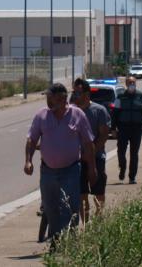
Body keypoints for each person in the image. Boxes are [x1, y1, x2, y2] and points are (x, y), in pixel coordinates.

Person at [24, 83, 95, 243]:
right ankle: (56, 239)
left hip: (71, 170)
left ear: (63, 99)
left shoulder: (77, 115)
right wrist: (28, 161)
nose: (48, 102)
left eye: (52, 98)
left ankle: (67, 240)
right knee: (50, 208)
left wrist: (92, 169)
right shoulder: (42, 115)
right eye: (47, 98)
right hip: (48, 171)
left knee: (69, 207)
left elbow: (88, 143)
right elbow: (32, 139)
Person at [70, 79, 111, 220]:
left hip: (97, 157)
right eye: (74, 92)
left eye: (78, 92)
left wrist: (91, 153)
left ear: (87, 94)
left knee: (98, 192)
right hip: (78, 160)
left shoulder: (99, 111)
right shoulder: (71, 112)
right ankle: (86, 225)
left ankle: (99, 220)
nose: (75, 95)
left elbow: (104, 135)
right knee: (82, 194)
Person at [112, 76, 142, 185]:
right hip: (123, 128)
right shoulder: (120, 97)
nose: (131, 84)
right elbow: (115, 114)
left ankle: (132, 177)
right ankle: (122, 168)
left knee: (134, 153)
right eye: (129, 82)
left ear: (136, 83)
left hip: (137, 128)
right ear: (126, 84)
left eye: (133, 82)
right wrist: (113, 129)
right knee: (121, 151)